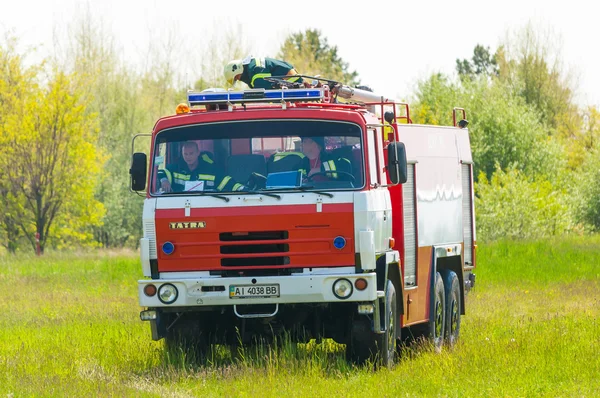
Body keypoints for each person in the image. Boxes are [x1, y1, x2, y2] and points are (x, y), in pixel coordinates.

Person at [158, 141, 244, 193]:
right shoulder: (176, 168)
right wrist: (164, 180)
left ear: (198, 153)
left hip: (206, 207)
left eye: (191, 153)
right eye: (185, 154)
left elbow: (227, 182)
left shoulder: (210, 170)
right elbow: (159, 172)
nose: (188, 157)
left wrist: (242, 189)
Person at [224, 56, 303, 89]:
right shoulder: (252, 67)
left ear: (238, 69)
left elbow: (263, 89)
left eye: (237, 77)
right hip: (293, 83)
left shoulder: (255, 71)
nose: (239, 79)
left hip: (293, 85)